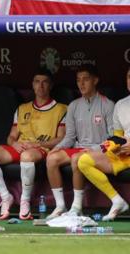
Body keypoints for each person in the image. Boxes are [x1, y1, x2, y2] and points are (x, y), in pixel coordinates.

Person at [0, 68, 67, 220]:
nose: (40, 86)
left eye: (45, 82)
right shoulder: (22, 108)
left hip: (41, 148)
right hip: (20, 147)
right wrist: (14, 144)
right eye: (37, 82)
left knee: (27, 156)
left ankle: (24, 201)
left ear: (50, 85)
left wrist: (38, 144)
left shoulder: (61, 109)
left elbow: (61, 138)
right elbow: (12, 136)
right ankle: (6, 197)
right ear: (32, 85)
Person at [45, 66, 114, 219]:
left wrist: (94, 149)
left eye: (86, 79)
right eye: (78, 80)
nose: (81, 83)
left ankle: (76, 207)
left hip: (99, 151)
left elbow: (112, 137)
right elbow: (70, 136)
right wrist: (57, 148)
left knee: (78, 158)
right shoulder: (74, 106)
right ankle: (60, 206)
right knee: (51, 158)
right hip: (79, 148)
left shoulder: (108, 105)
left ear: (95, 80)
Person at [77, 67, 130, 221]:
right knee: (84, 160)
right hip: (125, 154)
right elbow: (117, 137)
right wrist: (101, 149)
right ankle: (117, 201)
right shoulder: (121, 105)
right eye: (128, 76)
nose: (129, 80)